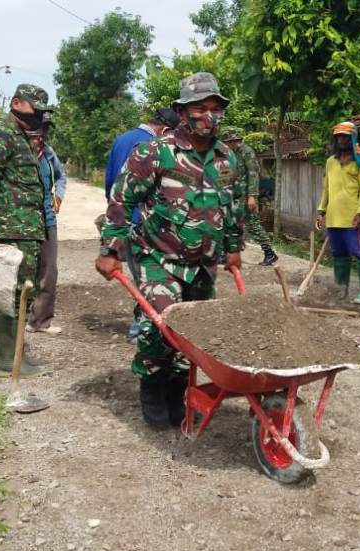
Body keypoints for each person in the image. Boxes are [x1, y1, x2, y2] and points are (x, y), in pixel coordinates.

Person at [95, 72, 242, 426]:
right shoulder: (155, 153)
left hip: (204, 263)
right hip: (158, 257)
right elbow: (121, 198)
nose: (208, 115)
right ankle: (152, 384)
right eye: (199, 108)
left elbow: (230, 207)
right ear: (181, 111)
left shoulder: (226, 158)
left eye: (215, 108)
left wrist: (233, 248)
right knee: (159, 326)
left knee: (194, 332)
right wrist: (111, 249)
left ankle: (178, 387)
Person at [0, 84, 52, 413]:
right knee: (14, 292)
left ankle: (17, 349)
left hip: (25, 227)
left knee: (25, 292)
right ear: (17, 103)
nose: (37, 116)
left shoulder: (20, 136)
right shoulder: (1, 133)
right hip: (10, 228)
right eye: (33, 109)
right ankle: (8, 357)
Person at [103, 108, 180, 343]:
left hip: (121, 219)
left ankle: (144, 331)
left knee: (141, 279)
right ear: (166, 130)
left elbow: (110, 185)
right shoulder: (155, 147)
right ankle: (144, 334)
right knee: (153, 281)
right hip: (146, 225)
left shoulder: (120, 140)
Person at [313, 121, 360, 305]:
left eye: (345, 137)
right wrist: (320, 211)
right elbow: (326, 189)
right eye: (338, 136)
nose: (341, 140)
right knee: (339, 254)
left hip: (352, 217)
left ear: (352, 138)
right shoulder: (330, 162)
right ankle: (341, 288)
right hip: (333, 217)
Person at [27, 122, 67, 334]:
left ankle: (40, 321)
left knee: (49, 271)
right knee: (24, 271)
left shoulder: (49, 154)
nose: (37, 140)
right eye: (33, 135)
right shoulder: (18, 152)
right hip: (22, 222)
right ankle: (18, 321)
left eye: (40, 136)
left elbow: (61, 176)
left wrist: (58, 196)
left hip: (47, 219)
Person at [221, 129, 278, 266]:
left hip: (245, 196)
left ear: (236, 141)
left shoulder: (246, 151)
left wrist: (252, 196)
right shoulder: (229, 154)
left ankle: (270, 253)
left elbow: (253, 174)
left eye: (232, 142)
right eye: (228, 142)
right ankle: (226, 253)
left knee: (252, 224)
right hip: (233, 196)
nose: (230, 144)